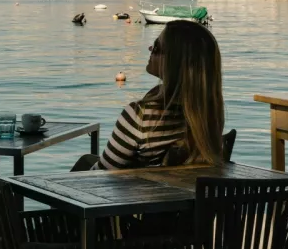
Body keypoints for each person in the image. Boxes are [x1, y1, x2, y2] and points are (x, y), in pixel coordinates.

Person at [84, 20, 225, 171]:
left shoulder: (140, 115)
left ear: (173, 61)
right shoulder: (210, 112)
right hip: (187, 191)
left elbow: (100, 175)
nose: (150, 48)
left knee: (84, 164)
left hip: (141, 191)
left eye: (157, 47)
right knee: (85, 160)